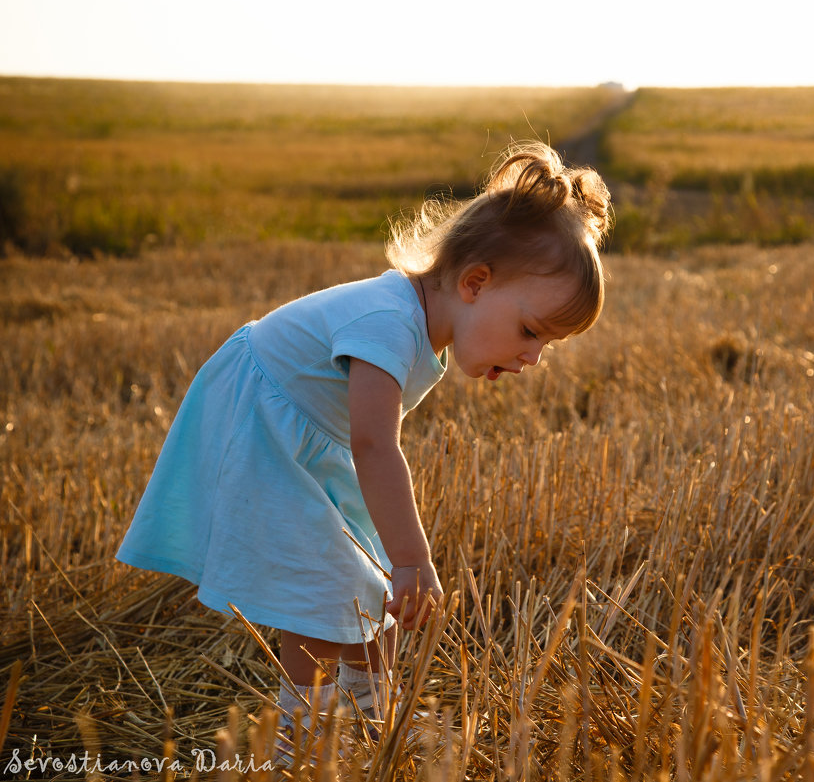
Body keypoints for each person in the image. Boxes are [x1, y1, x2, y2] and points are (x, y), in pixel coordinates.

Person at [115, 141, 611, 758]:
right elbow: (374, 444)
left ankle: (372, 725)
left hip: (306, 437)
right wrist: (411, 558)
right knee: (324, 596)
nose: (533, 357)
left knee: (371, 592)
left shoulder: (422, 325)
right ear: (475, 282)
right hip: (262, 427)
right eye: (531, 331)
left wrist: (394, 568)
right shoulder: (387, 322)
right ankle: (300, 747)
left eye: (547, 346)